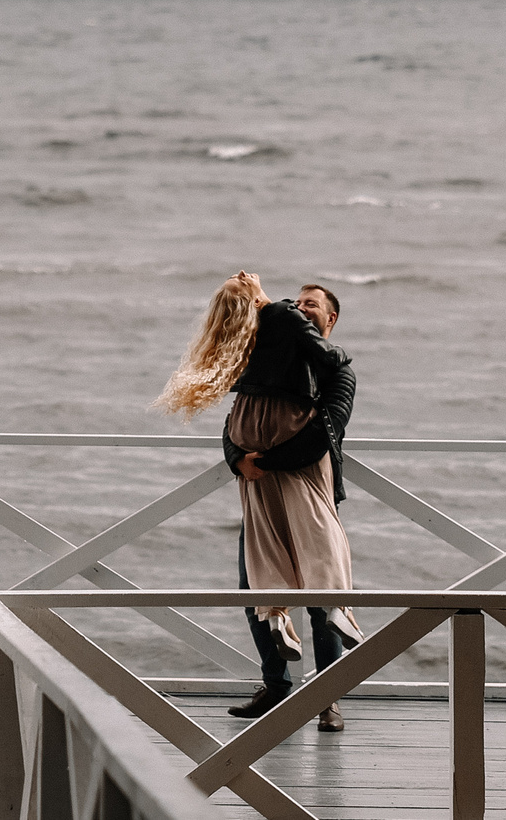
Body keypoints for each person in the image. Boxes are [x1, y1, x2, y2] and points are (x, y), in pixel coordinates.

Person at [154, 272, 361, 730]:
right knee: (254, 588)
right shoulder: (272, 357)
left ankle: (327, 697)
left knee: (320, 590)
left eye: (312, 304)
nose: (302, 307)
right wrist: (237, 460)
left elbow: (326, 433)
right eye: (298, 302)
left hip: (305, 488)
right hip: (259, 491)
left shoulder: (336, 371)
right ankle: (276, 684)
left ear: (332, 317)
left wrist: (269, 461)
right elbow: (236, 419)